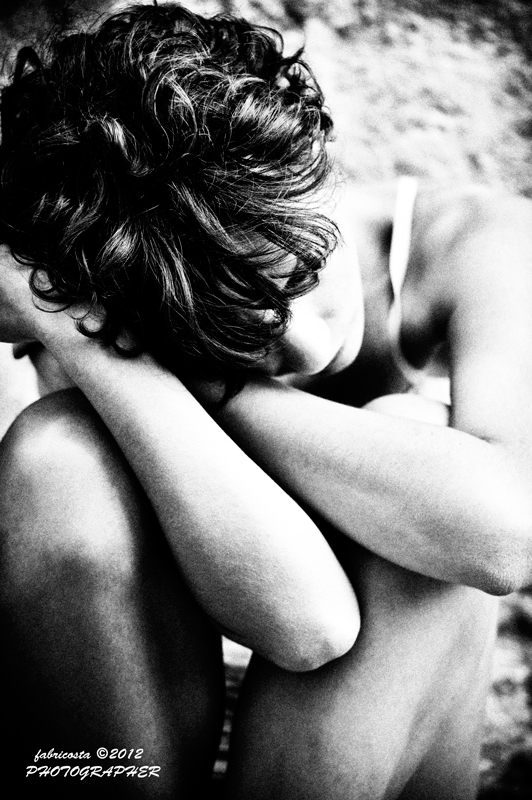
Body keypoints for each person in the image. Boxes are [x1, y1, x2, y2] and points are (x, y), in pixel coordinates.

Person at [0, 3, 531, 799]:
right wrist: (80, 340)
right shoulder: (140, 288)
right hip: (138, 742)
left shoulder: (474, 241)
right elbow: (305, 625)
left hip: (367, 759)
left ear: (319, 170)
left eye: (304, 276)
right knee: (59, 448)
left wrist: (211, 382)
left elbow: (504, 534)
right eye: (235, 330)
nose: (309, 348)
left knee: (417, 440)